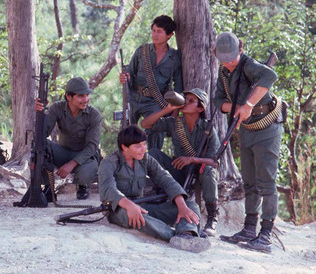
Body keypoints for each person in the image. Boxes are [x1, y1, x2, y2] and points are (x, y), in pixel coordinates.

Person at [213, 32, 283, 253]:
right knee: (250, 182)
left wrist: (249, 104)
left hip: (267, 127)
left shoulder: (249, 65)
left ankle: (265, 235)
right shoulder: (224, 72)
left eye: (231, 57)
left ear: (240, 51)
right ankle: (249, 228)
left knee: (267, 183)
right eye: (223, 58)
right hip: (247, 129)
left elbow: (270, 76)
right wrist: (234, 108)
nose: (227, 62)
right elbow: (217, 100)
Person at [98, 125, 210, 253]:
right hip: (118, 210)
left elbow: (166, 179)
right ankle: (178, 237)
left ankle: (187, 233)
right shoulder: (109, 162)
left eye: (144, 144)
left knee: (190, 205)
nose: (143, 149)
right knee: (139, 217)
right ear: (124, 147)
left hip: (142, 205)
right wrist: (130, 206)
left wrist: (182, 206)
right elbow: (108, 189)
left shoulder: (145, 159)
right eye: (138, 146)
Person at [140, 88, 220, 236]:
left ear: (200, 108)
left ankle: (212, 217)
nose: (186, 102)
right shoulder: (175, 123)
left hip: (199, 174)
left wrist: (192, 159)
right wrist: (168, 109)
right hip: (179, 171)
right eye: (185, 99)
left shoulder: (208, 128)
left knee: (209, 170)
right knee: (153, 154)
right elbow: (146, 124)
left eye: (191, 101)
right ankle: (162, 191)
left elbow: (214, 161)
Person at [119, 15, 183, 150]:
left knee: (156, 133)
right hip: (134, 97)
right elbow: (130, 73)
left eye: (159, 31)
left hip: (156, 101)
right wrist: (125, 78)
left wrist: (174, 112)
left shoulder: (174, 57)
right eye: (153, 30)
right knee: (125, 131)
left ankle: (153, 161)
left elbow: (178, 85)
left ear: (169, 35)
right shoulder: (142, 51)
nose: (155, 34)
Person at [34, 77, 102, 200]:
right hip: (63, 152)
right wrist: (41, 113)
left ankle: (82, 185)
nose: (86, 99)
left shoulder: (94, 115)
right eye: (81, 96)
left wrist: (71, 164)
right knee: (39, 146)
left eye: (87, 95)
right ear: (69, 97)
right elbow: (42, 134)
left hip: (85, 156)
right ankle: (48, 186)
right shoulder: (57, 108)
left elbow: (92, 147)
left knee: (86, 172)